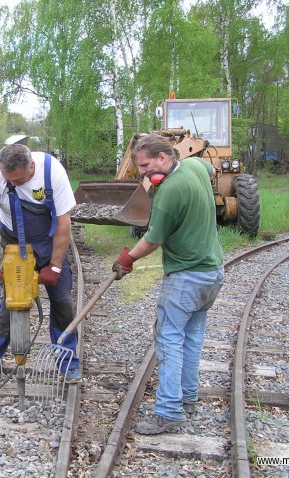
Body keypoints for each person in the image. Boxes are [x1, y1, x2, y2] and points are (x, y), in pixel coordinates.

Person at [113, 133, 224, 435]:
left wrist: (127, 260)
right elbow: (211, 170)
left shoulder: (168, 193)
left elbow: (153, 240)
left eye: (146, 166)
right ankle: (187, 397)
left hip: (186, 277)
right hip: (212, 272)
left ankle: (169, 411)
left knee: (169, 341)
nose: (145, 173)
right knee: (192, 337)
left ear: (163, 157)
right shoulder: (194, 168)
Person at [0, 143, 81, 383]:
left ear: (32, 167)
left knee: (62, 302)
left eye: (18, 180)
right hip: (14, 241)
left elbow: (63, 223)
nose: (13, 184)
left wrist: (55, 266)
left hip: (49, 242)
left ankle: (68, 362)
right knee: (11, 302)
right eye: (8, 180)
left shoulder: (52, 171)